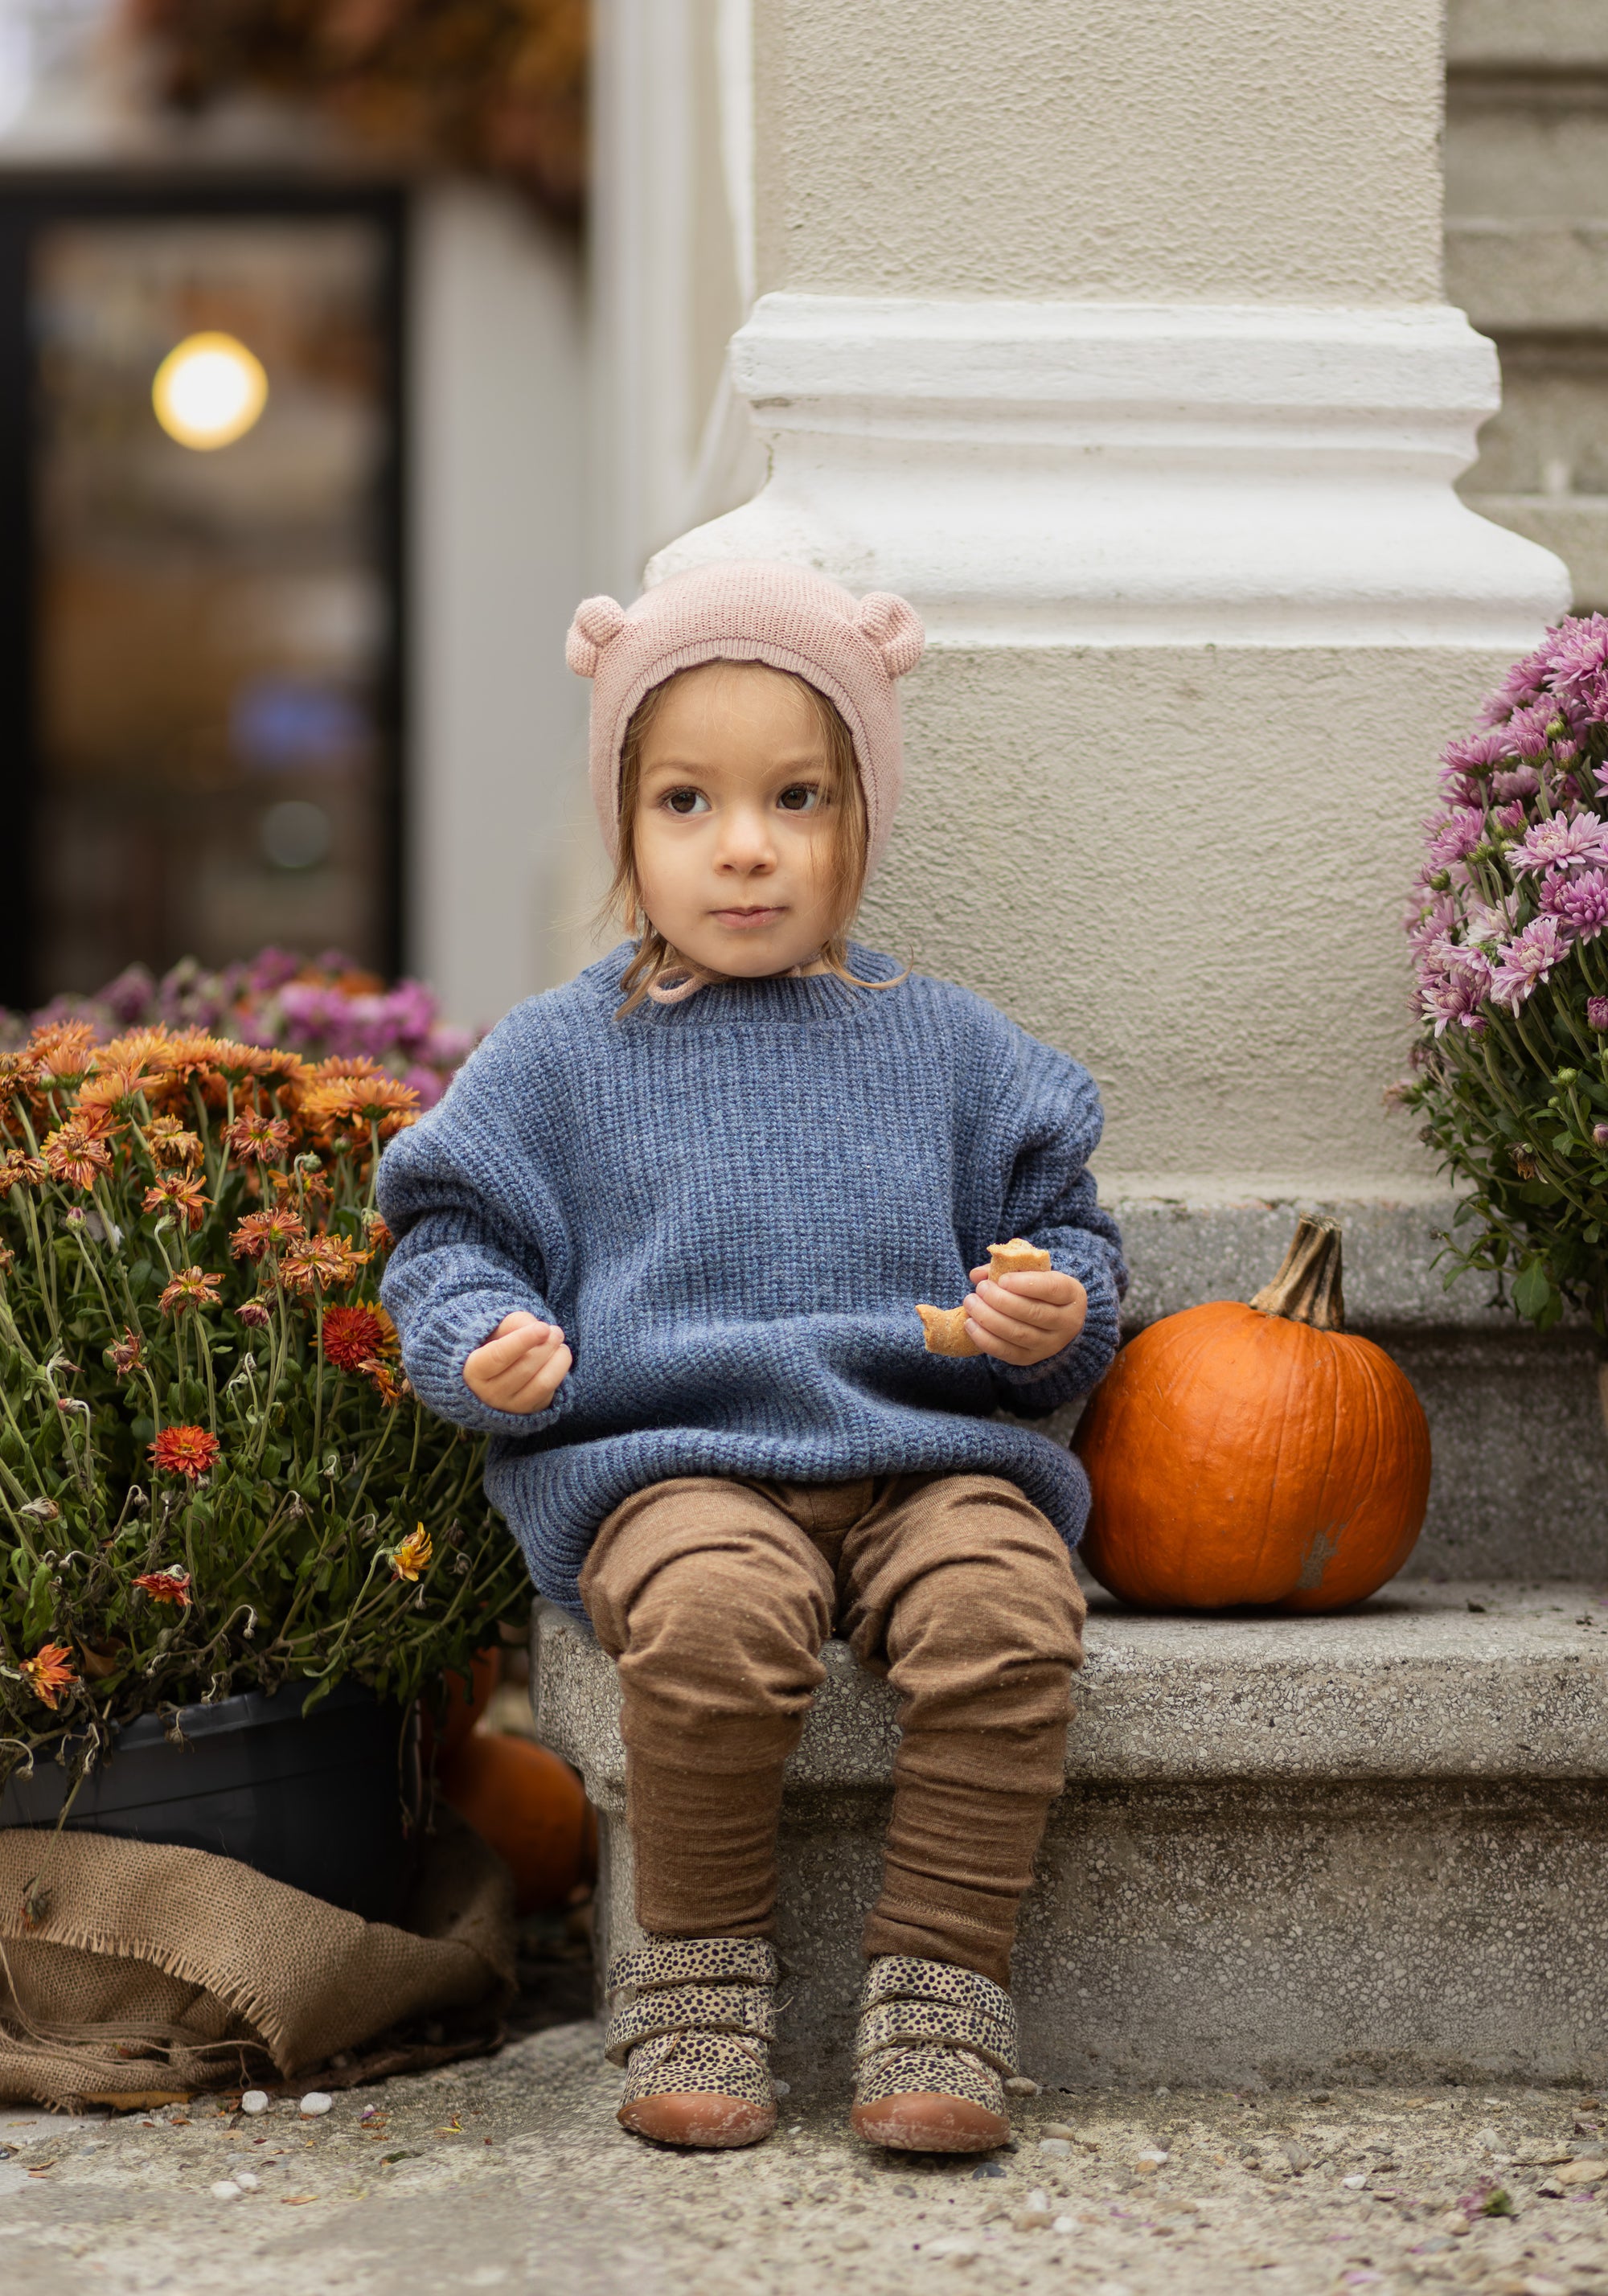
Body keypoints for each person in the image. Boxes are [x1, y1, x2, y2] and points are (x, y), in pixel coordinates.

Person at [378, 561, 1127, 2157]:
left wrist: (1050, 1308)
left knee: (1009, 1612)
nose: (743, 845)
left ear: (862, 814)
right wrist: (474, 1344)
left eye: (795, 797)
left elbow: (1063, 1228)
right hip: (677, 1462)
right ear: (626, 828)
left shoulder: (944, 1044)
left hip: (931, 1455)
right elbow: (447, 1236)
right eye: (686, 801)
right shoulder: (563, 1058)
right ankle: (700, 1982)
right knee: (717, 1622)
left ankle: (939, 1988)